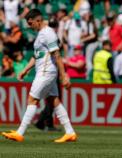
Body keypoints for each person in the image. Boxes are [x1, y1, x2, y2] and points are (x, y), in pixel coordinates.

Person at [1, 9, 77, 143]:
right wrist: (25, 70)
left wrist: (64, 75)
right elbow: (37, 56)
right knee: (54, 100)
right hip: (44, 70)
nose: (30, 26)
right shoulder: (41, 34)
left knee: (32, 99)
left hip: (46, 72)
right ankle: (70, 132)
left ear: (38, 20)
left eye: (31, 23)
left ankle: (20, 133)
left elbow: (57, 55)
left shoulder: (48, 33)